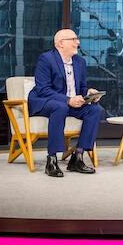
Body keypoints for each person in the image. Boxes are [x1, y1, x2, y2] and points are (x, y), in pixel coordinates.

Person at [27, 28, 103, 177]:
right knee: (60, 107)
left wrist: (88, 94)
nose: (78, 42)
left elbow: (81, 88)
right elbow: (43, 89)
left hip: (70, 103)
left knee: (95, 110)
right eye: (74, 39)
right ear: (61, 43)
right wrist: (68, 100)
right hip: (47, 101)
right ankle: (52, 159)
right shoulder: (46, 59)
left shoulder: (79, 62)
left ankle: (78, 157)